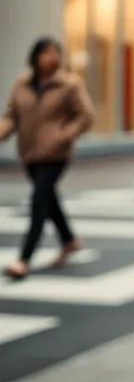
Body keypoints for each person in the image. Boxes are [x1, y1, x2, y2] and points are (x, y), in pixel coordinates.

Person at [0, 38, 93, 280]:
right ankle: (69, 239)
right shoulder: (23, 83)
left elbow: (86, 116)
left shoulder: (70, 84)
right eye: (45, 52)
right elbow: (11, 115)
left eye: (55, 52)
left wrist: (63, 135)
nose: (50, 57)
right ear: (35, 56)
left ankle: (24, 258)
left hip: (55, 154)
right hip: (30, 153)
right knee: (49, 199)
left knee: (38, 201)